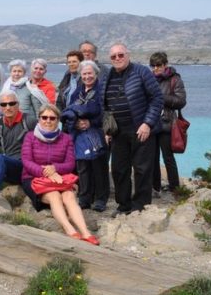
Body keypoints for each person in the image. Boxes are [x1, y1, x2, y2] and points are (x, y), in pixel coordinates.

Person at [21, 104, 98, 244]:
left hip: (59, 178)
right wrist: (47, 173)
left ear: (58, 120)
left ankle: (86, 232)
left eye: (52, 118)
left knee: (69, 196)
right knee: (54, 196)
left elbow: (70, 164)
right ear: (39, 119)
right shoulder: (30, 137)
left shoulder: (66, 138)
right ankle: (69, 229)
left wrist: (55, 168)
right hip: (34, 178)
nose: (48, 121)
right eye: (44, 117)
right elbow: (27, 161)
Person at [101, 44, 163, 214]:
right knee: (119, 169)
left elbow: (157, 98)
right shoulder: (107, 76)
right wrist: (107, 129)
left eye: (120, 55)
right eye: (113, 56)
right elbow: (105, 105)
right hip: (118, 131)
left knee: (142, 169)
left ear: (128, 55)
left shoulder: (141, 72)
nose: (117, 58)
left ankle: (140, 207)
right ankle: (124, 205)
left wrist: (148, 123)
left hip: (140, 128)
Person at [60, 60, 108, 211]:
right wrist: (75, 124)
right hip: (80, 135)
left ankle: (101, 199)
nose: (87, 76)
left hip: (96, 134)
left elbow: (105, 113)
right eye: (84, 74)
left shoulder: (101, 91)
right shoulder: (77, 92)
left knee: (99, 167)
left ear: (96, 74)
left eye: (90, 73)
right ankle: (85, 198)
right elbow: (69, 111)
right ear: (81, 75)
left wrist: (91, 122)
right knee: (82, 167)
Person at [149, 51, 187, 194]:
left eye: (158, 65)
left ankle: (174, 187)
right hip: (151, 123)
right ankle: (155, 187)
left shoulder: (175, 79)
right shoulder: (149, 79)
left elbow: (181, 101)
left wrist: (161, 97)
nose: (155, 69)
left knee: (168, 157)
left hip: (167, 124)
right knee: (152, 158)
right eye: (152, 66)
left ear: (165, 65)